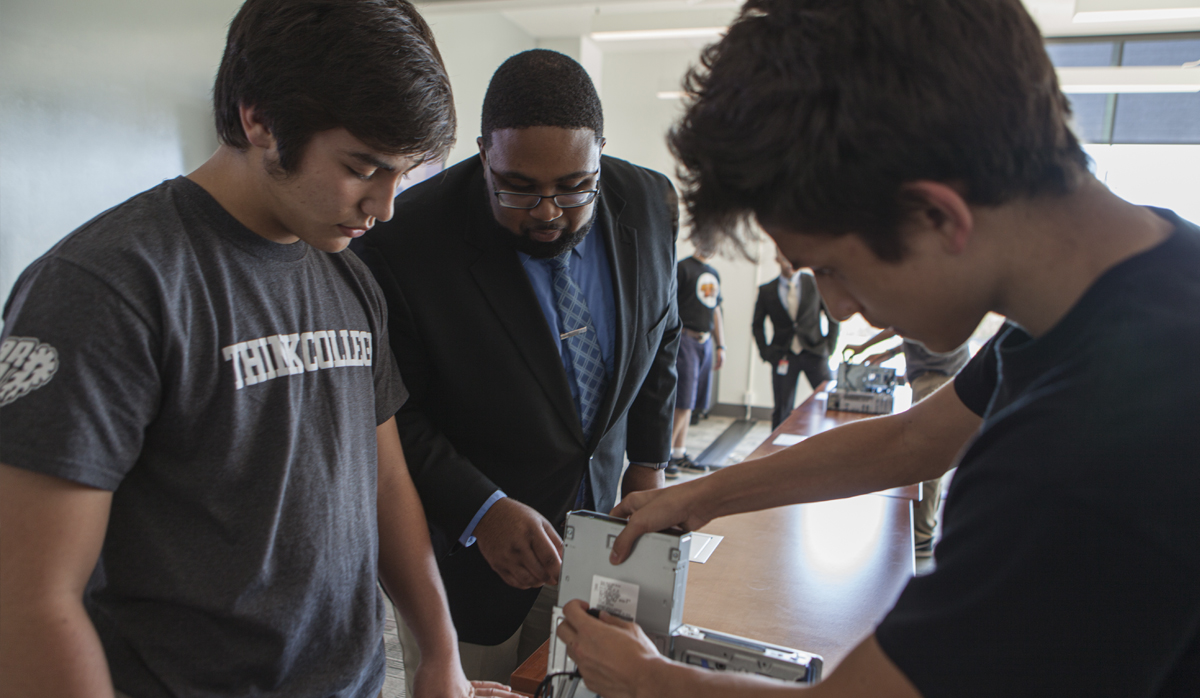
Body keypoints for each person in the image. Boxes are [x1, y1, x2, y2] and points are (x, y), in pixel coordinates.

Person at [554, 1, 1200, 697]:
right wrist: (705, 495)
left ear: (936, 216)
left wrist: (646, 679)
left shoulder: (1089, 442)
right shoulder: (1131, 283)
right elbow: (917, 438)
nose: (836, 306)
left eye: (831, 269)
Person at [0, 2, 519, 697]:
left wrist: (438, 653)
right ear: (261, 118)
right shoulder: (108, 286)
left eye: (403, 172)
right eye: (363, 167)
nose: (386, 206)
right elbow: (31, 600)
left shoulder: (347, 275)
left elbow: (384, 479)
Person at [354, 49, 680, 687]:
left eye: (574, 187)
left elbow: (661, 334)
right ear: (483, 154)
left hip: (605, 549)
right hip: (475, 572)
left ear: (601, 153)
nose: (549, 212)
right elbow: (394, 413)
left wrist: (648, 464)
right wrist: (483, 508)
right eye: (519, 188)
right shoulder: (406, 241)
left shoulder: (646, 201)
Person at [846, 328, 971, 557]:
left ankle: (922, 536)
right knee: (930, 458)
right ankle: (923, 530)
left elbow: (899, 326)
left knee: (927, 460)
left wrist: (865, 347)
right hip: (940, 376)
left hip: (936, 378)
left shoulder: (926, 301)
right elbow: (915, 334)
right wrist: (890, 352)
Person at [752, 247, 839, 429]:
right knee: (782, 408)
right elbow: (757, 325)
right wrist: (766, 352)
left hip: (814, 351)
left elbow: (833, 317)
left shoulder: (814, 284)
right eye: (784, 259)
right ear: (777, 259)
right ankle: (776, 453)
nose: (789, 264)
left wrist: (829, 348)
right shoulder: (767, 290)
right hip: (783, 355)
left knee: (832, 400)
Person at [667, 246, 725, 476]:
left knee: (692, 401)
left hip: (706, 342)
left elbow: (716, 309)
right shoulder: (682, 268)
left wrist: (721, 345)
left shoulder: (714, 273)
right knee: (683, 400)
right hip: (685, 339)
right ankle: (663, 456)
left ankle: (679, 453)